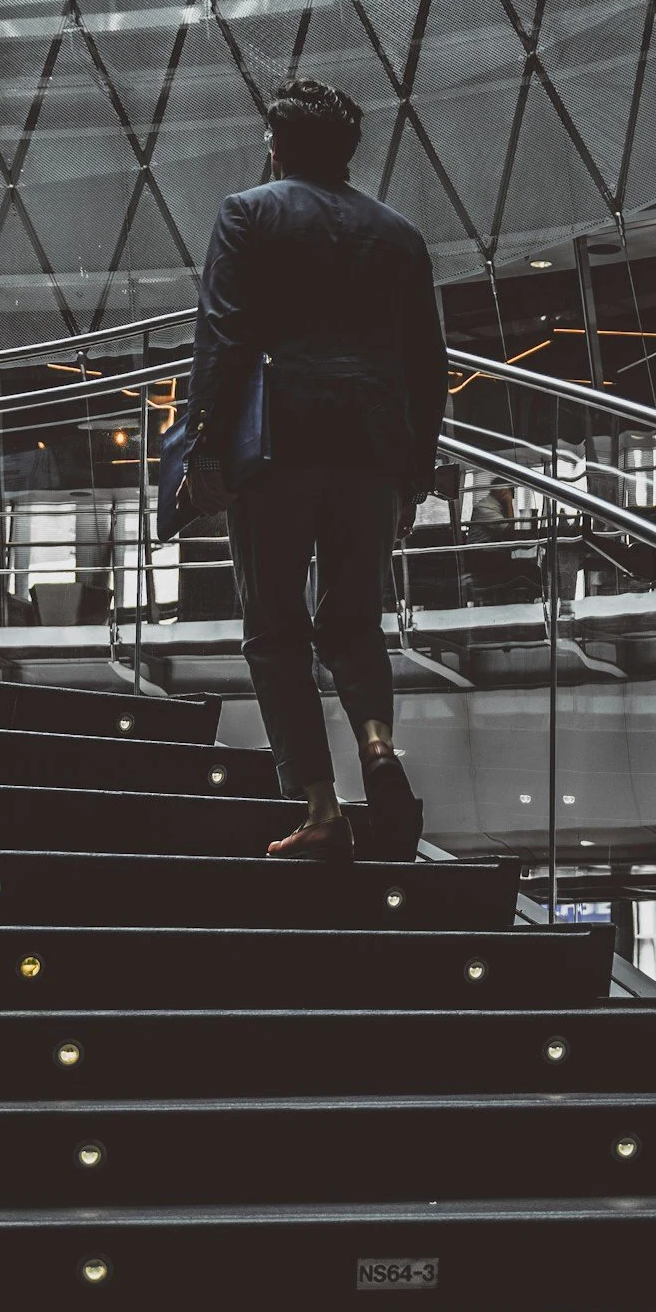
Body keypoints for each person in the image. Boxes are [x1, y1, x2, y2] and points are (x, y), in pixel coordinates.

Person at [184, 79, 447, 860]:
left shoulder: (249, 212)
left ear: (276, 141)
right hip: (372, 451)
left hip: (278, 447)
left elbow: (224, 337)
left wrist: (203, 447)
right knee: (353, 620)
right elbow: (425, 366)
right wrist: (415, 473)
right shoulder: (398, 234)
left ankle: (321, 808)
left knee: (273, 629)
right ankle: (376, 747)